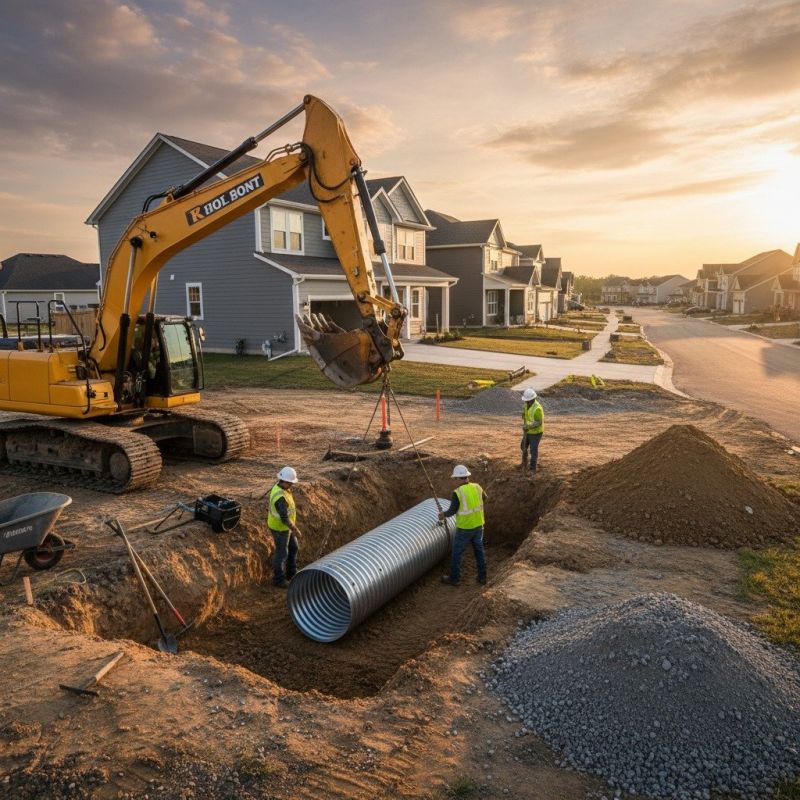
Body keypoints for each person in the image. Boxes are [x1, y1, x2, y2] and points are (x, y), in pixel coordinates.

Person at [438, 464, 487, 587]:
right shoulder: (477, 487)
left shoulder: (457, 492)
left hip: (465, 528)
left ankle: (455, 579)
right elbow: (485, 498)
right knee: (479, 551)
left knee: (457, 553)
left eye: (455, 478)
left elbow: (452, 511)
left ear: (460, 478)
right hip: (479, 525)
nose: (454, 481)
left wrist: (443, 514)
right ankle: (482, 577)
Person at [267, 466, 301, 589]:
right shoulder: (280, 498)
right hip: (280, 528)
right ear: (285, 481)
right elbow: (284, 518)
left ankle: (292, 572)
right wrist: (295, 529)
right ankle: (278, 579)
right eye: (290, 483)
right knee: (282, 553)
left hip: (286, 527)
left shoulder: (282, 488)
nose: (292, 485)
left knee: (294, 547)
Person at [521, 387, 544, 473]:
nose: (526, 402)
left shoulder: (537, 409)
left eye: (527, 400)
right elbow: (525, 413)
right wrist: (523, 413)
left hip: (536, 433)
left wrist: (528, 427)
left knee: (533, 450)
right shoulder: (526, 405)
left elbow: (538, 422)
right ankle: (524, 463)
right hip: (528, 431)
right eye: (526, 401)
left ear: (532, 399)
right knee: (523, 446)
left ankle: (532, 468)